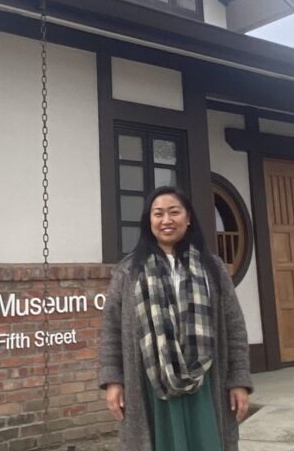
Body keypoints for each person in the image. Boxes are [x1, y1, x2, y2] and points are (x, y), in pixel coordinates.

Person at [97, 186, 253, 451]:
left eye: (174, 212)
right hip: (149, 380)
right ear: (149, 221)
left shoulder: (212, 268)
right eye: (158, 214)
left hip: (206, 379)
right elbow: (110, 329)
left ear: (188, 217)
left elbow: (234, 326)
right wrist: (113, 381)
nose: (166, 220)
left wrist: (239, 381)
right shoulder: (128, 270)